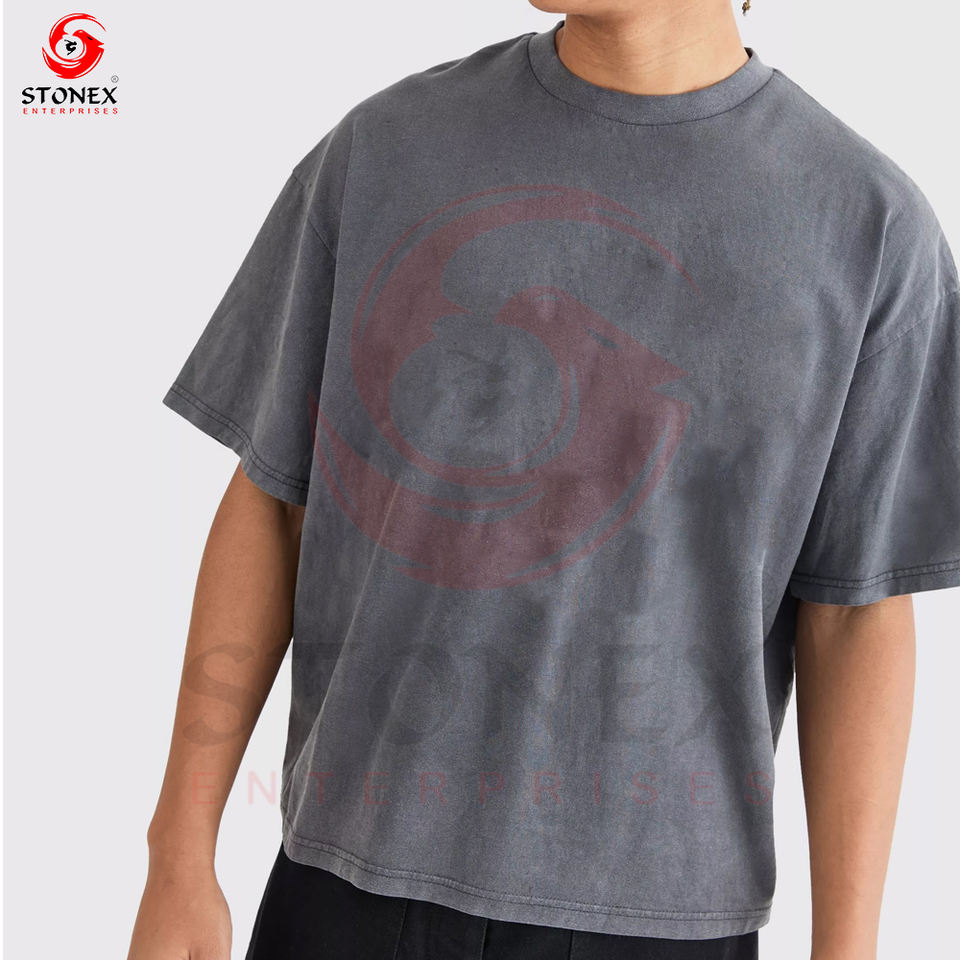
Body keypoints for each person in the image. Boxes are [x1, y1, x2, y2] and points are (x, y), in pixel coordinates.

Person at [127, 2, 960, 958]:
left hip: (655, 923)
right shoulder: (387, 151)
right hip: (344, 891)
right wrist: (178, 855)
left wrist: (848, 948)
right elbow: (276, 501)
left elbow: (856, 611)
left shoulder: (871, 231)